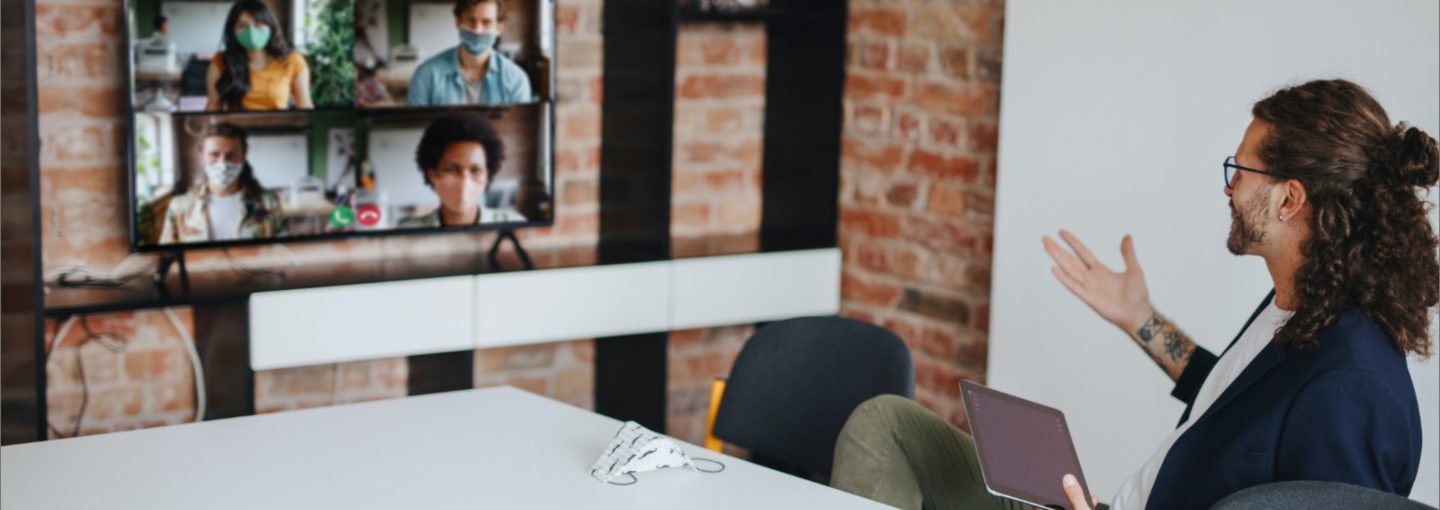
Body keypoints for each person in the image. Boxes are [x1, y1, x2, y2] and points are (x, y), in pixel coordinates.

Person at [829, 79, 1436, 510]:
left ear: (1289, 198)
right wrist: (1139, 319)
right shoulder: (1306, 302)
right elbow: (1233, 407)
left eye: (1240, 171)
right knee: (887, 424)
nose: (1228, 190)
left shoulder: (1351, 387)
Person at [159, 123, 288, 243]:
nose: (223, 163)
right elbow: (165, 257)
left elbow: (284, 252)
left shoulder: (269, 203)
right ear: (202, 157)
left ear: (243, 157)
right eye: (214, 154)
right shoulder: (180, 207)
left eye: (231, 155)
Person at [398, 112, 527, 228]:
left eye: (475, 170)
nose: (464, 181)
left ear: (487, 175)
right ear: (432, 174)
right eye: (451, 169)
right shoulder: (406, 231)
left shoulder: (514, 224)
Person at [406, 0, 532, 106]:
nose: (477, 30)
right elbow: (412, 130)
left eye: (486, 22)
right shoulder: (426, 75)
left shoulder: (516, 80)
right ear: (458, 22)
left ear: (499, 28)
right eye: (471, 20)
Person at [206, 0, 313, 111]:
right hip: (234, 128)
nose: (251, 31)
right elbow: (213, 107)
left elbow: (305, 106)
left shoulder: (293, 61)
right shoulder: (221, 61)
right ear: (232, 31)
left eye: (258, 24)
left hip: (279, 127)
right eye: (242, 25)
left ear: (270, 26)